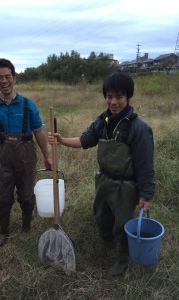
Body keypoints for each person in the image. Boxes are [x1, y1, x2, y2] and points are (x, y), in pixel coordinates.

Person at [48, 72, 155, 276]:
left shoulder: (139, 128)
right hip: (103, 180)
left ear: (128, 97)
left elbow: (145, 165)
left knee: (123, 224)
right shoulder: (103, 121)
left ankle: (123, 258)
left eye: (119, 97)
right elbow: (84, 140)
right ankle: (107, 241)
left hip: (126, 186)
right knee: (101, 214)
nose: (113, 102)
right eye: (109, 96)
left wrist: (145, 195)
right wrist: (61, 140)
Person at [0, 58, 52, 247]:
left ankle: (26, 228)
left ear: (14, 78)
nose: (4, 81)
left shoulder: (28, 105)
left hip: (26, 157)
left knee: (27, 195)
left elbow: (39, 132)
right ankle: (4, 232)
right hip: (2, 158)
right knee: (2, 197)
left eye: (7, 77)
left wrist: (47, 157)